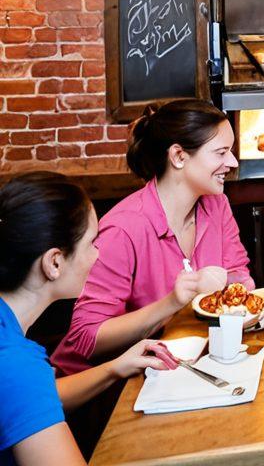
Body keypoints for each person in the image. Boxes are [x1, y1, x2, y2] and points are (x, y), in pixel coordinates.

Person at [53, 99, 250, 375]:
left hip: (179, 367)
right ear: (178, 156)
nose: (233, 162)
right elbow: (87, 339)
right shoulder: (123, 229)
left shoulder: (216, 206)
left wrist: (237, 291)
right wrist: (172, 302)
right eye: (221, 152)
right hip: (101, 386)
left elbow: (239, 277)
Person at [1, 171, 171, 465]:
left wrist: (114, 368)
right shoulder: (16, 363)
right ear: (54, 262)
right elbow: (24, 387)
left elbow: (30, 397)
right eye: (93, 242)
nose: (98, 254)